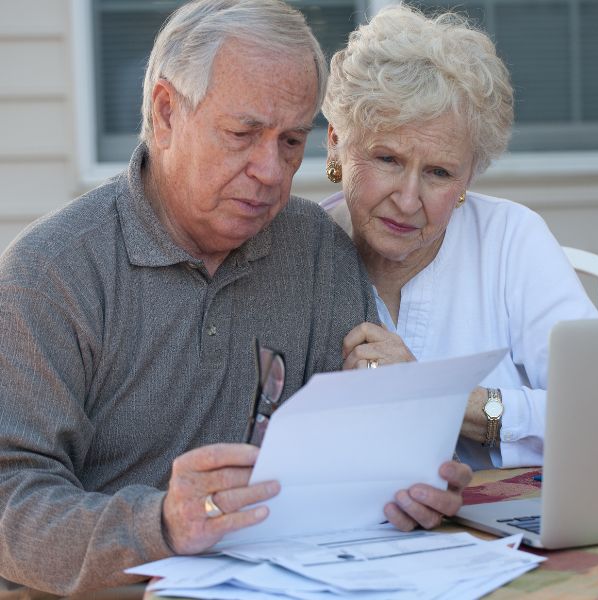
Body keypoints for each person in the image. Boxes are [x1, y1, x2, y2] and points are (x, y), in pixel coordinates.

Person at [0, 1, 470, 595]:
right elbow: (11, 502)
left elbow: (343, 461)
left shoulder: (316, 252)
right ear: (167, 113)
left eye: (292, 141)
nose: (271, 170)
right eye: (243, 134)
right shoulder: (53, 273)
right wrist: (163, 524)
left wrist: (401, 483)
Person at [321, 5, 598, 470]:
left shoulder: (511, 239)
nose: (408, 200)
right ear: (335, 143)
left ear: (470, 176)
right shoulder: (298, 254)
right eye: (387, 158)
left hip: (513, 525)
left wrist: (437, 397)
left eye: (439, 172)